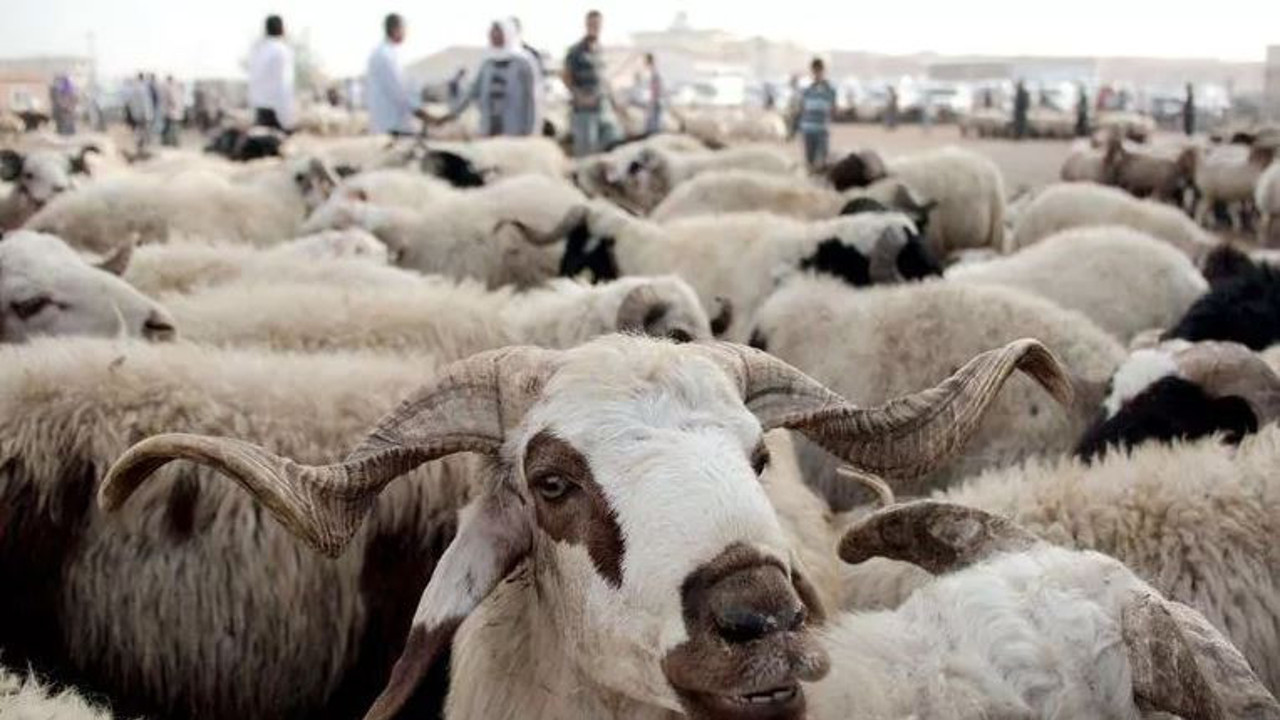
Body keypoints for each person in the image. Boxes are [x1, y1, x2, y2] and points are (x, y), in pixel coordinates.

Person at [440, 20, 538, 137]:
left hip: (515, 132)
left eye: (498, 32)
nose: (495, 36)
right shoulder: (487, 64)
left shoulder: (524, 62)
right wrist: (449, 116)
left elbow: (533, 101)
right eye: (492, 33)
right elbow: (471, 94)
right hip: (489, 129)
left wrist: (532, 132)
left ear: (508, 34)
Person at [563, 10, 617, 157]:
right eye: (592, 24)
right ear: (586, 25)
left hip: (602, 107)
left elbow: (605, 79)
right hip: (584, 110)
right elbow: (566, 77)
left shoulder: (601, 50)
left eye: (598, 25)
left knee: (611, 143)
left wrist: (615, 102)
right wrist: (579, 96)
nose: (595, 27)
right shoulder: (575, 51)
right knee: (587, 153)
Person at [366, 13, 429, 136]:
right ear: (396, 30)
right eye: (404, 29)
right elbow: (398, 92)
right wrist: (421, 113)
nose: (406, 33)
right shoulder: (385, 55)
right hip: (393, 126)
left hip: (391, 124)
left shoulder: (388, 52)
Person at [247, 15, 295, 132]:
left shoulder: (258, 50)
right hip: (275, 112)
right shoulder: (282, 51)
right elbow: (284, 86)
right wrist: (288, 118)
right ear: (282, 29)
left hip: (258, 109)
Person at [793, 58, 836, 172]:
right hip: (808, 129)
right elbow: (801, 109)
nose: (817, 73)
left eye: (819, 70)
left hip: (822, 129)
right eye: (815, 71)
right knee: (810, 161)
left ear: (823, 71)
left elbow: (833, 109)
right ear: (812, 71)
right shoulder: (807, 90)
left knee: (823, 161)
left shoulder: (829, 89)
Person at [125, 72, 156, 157]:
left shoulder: (134, 88)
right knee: (144, 132)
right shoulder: (143, 89)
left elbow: (130, 103)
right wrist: (148, 115)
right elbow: (145, 104)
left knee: (138, 131)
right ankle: (142, 150)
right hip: (143, 114)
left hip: (136, 114)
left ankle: (139, 149)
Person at [641, 53, 663, 135]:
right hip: (653, 100)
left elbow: (655, 88)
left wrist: (652, 100)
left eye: (645, 61)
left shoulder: (653, 72)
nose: (644, 63)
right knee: (651, 121)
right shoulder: (652, 71)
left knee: (652, 123)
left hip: (654, 101)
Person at [160, 76, 184, 146]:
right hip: (172, 112)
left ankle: (172, 141)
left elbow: (172, 101)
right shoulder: (172, 88)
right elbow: (173, 101)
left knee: (172, 127)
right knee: (173, 128)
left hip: (172, 112)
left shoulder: (169, 88)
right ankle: (173, 142)